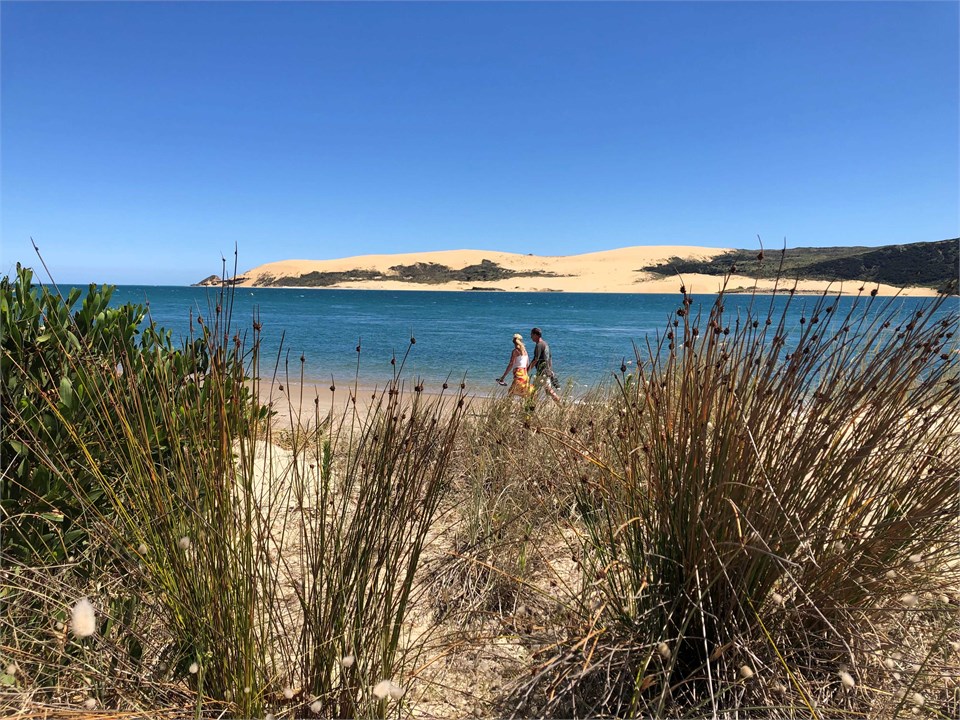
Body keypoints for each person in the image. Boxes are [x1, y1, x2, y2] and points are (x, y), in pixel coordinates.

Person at [529, 327, 560, 403]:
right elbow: (550, 358)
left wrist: (527, 369)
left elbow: (535, 359)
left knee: (534, 391)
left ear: (536, 335)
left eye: (532, 335)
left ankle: (530, 407)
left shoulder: (539, 345)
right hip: (546, 371)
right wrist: (550, 370)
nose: (531, 337)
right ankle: (561, 405)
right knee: (548, 391)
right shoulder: (546, 344)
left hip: (542, 372)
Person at [497, 333, 532, 398]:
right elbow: (527, 364)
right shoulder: (525, 351)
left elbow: (511, 364)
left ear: (513, 342)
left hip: (519, 374)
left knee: (511, 392)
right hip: (525, 374)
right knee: (523, 393)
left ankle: (508, 406)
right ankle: (528, 407)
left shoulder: (515, 351)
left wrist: (503, 377)